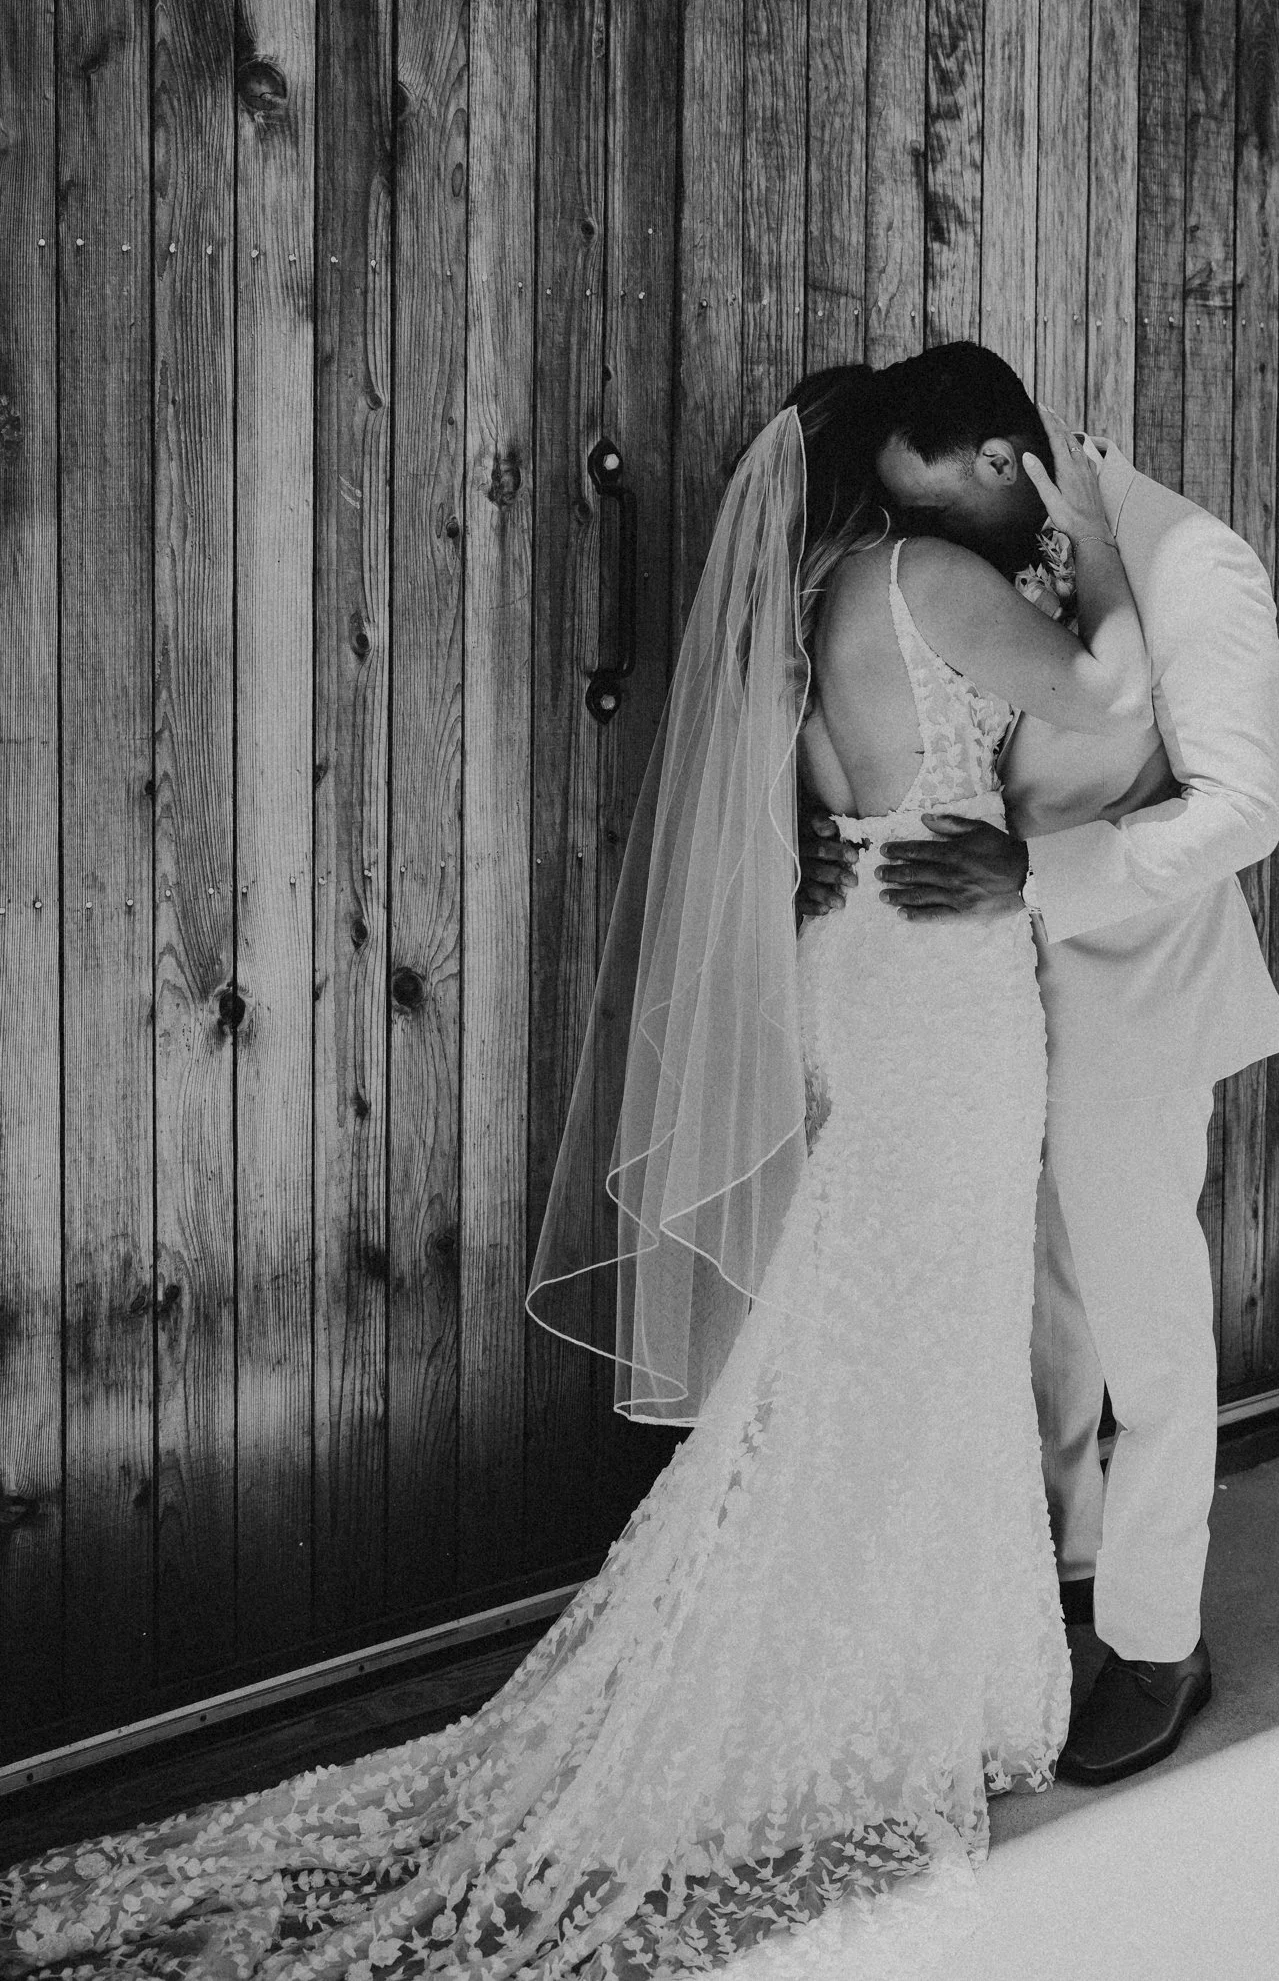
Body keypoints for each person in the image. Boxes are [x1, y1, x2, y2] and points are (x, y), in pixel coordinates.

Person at [0, 368, 1161, 1981]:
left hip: (846, 963)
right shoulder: (928, 579)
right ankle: (907, 1674)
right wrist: (1097, 540)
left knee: (851, 1318)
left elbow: (791, 819)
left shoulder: (793, 610)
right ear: (889, 474)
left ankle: (852, 1641)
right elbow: (1103, 696)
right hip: (944, 982)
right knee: (932, 1327)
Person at [801, 340, 1279, 1789]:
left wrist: (1034, 878)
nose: (926, 537)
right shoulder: (987, 547)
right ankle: (1068, 1573)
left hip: (1128, 982)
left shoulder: (1194, 564)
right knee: (1036, 1309)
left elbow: (1243, 809)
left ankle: (1156, 1640)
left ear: (1006, 463)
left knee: (1144, 1320)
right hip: (979, 1000)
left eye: (937, 506)